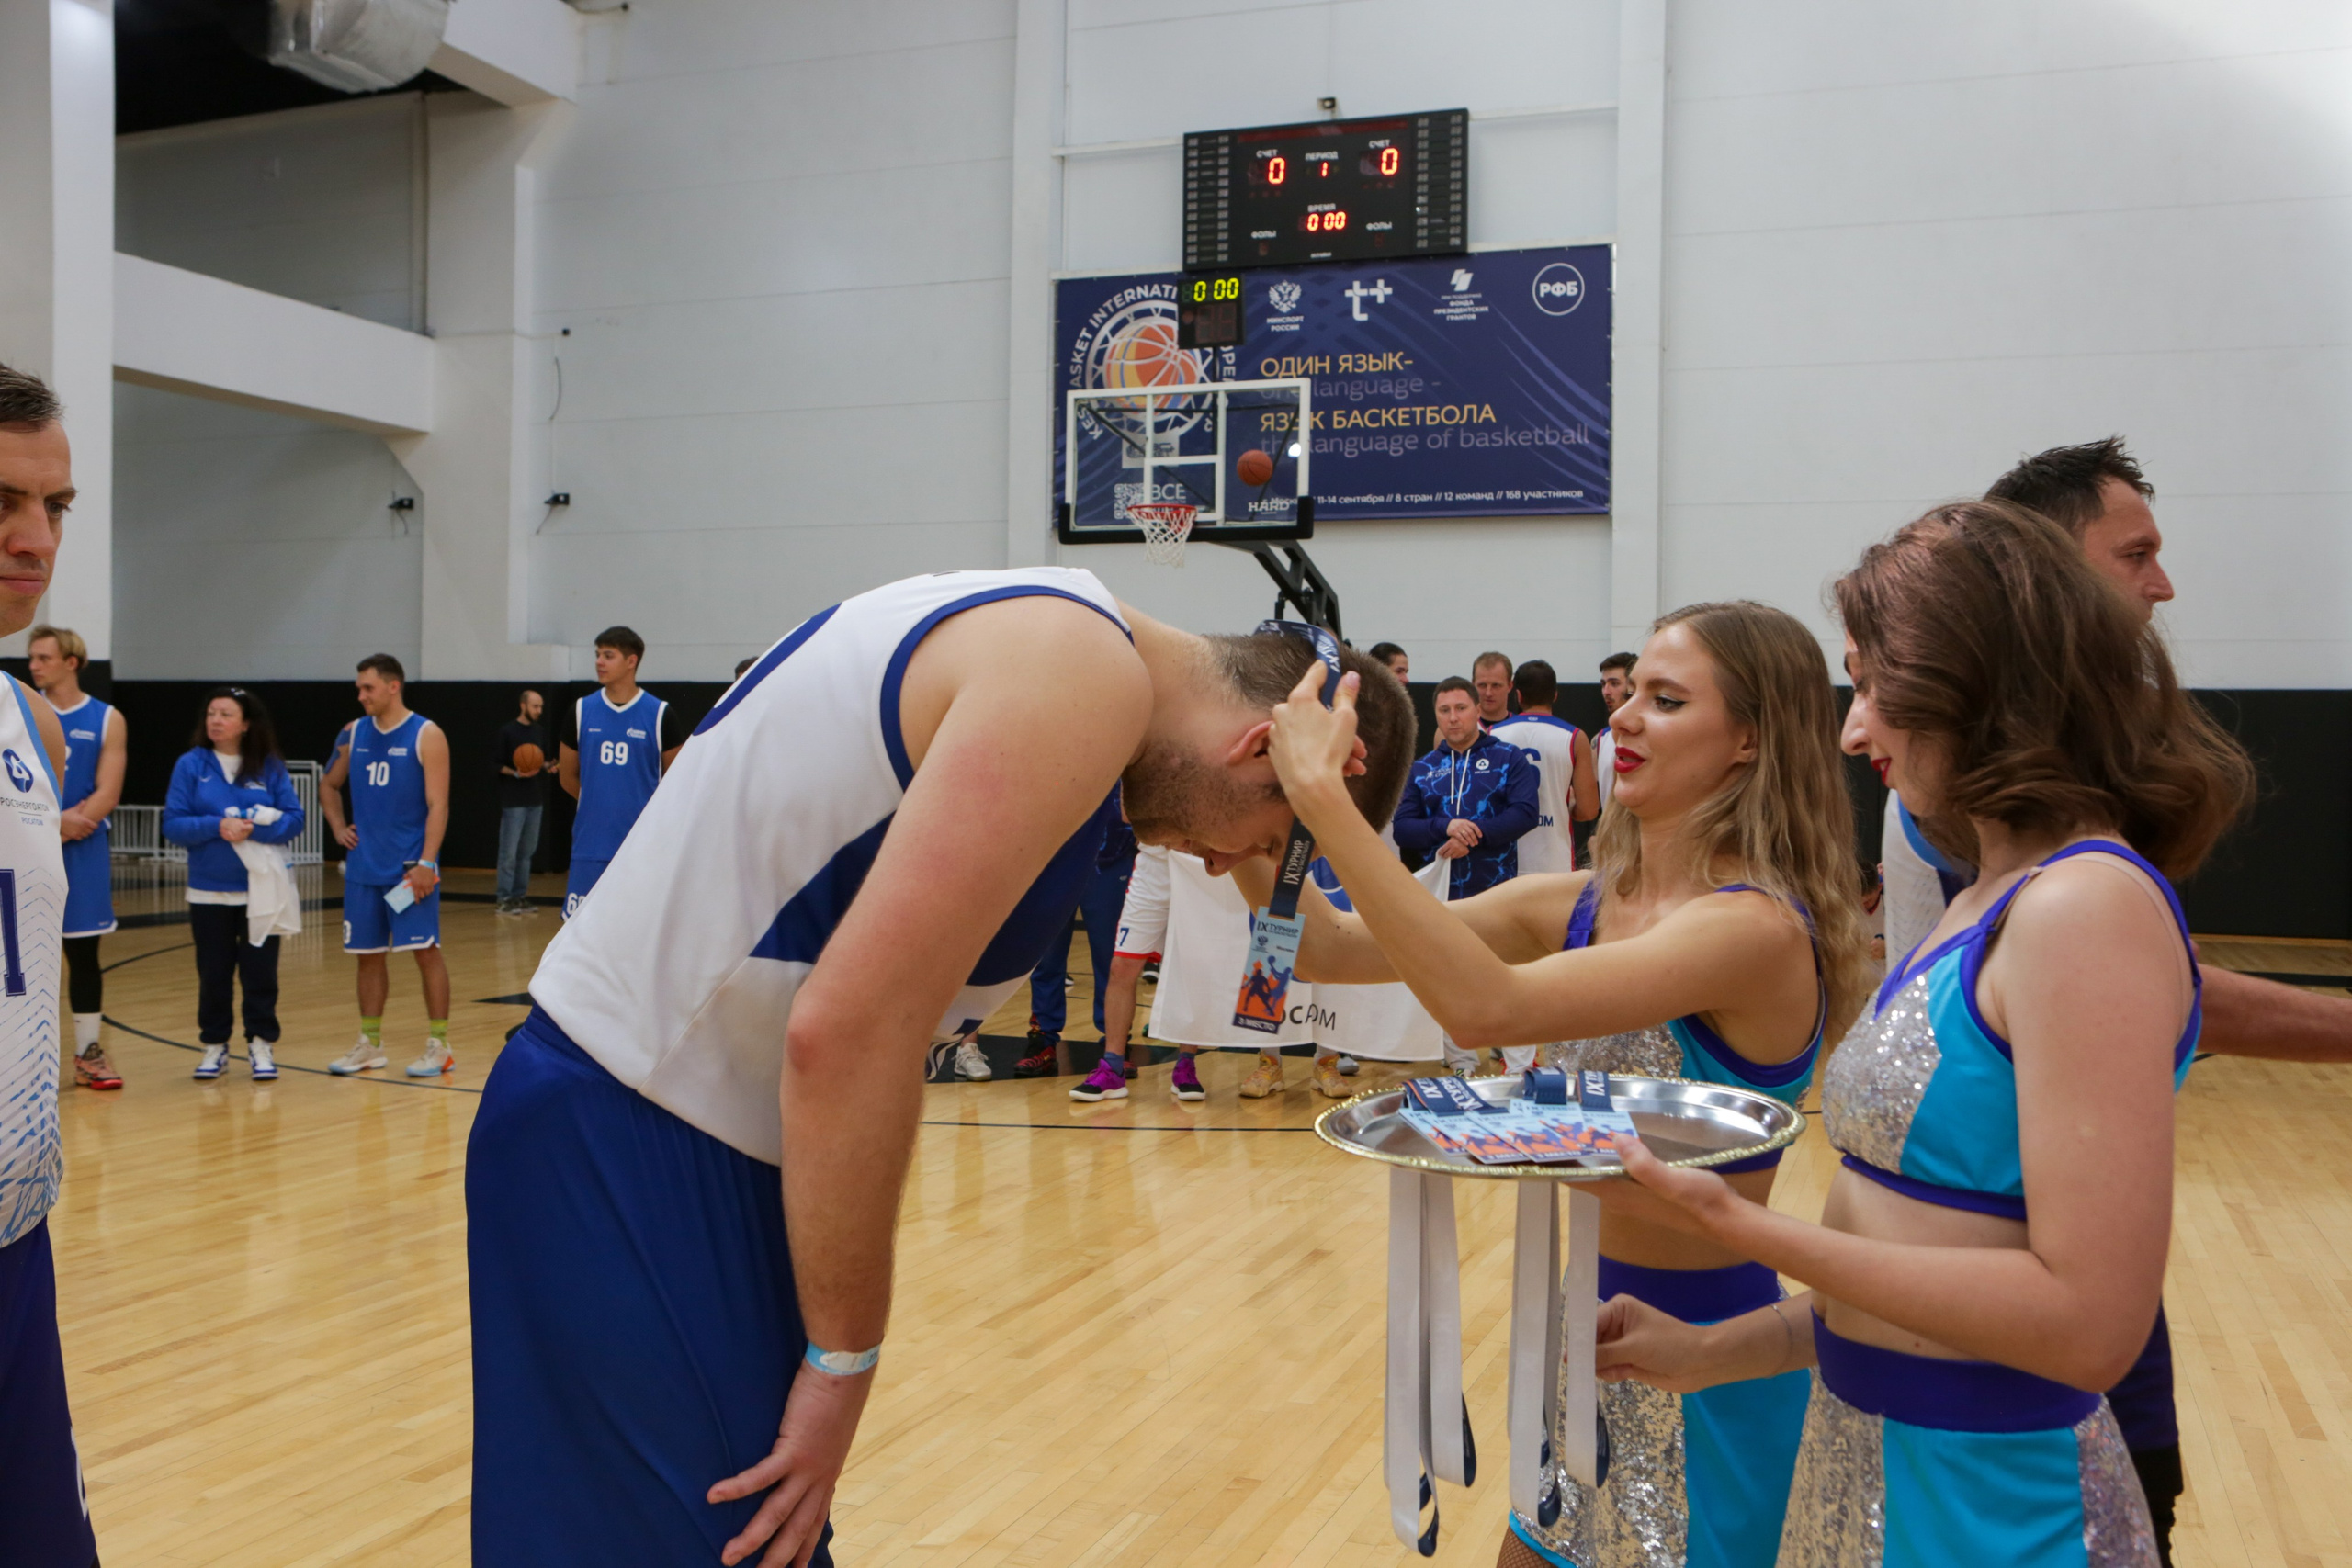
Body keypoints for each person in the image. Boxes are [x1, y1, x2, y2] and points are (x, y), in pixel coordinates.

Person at [468, 569, 1415, 1568]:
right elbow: (848, 1032)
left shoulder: (1077, 659)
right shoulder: (1078, 672)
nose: (1225, 866)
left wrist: (1534, 936)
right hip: (630, 1127)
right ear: (1260, 748)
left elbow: (1321, 945)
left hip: (672, 1130)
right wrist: (843, 1364)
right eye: (1260, 840)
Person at [1595, 502, 2251, 1568]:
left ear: (1975, 680)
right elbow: (1918, 1264)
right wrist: (1711, 1351)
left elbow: (2087, 1323)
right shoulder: (1985, 896)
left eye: (1872, 687)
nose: (1853, 733)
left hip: (1994, 1505)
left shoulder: (2083, 905)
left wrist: (1746, 1229)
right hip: (1871, 1469)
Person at [1250, 599, 1871, 1568]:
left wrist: (1324, 797)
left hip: (1708, 1367)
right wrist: (1247, 829)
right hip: (1585, 1343)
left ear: (1750, 740)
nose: (1621, 715)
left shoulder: (1752, 929)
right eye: (1631, 694)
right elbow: (1325, 950)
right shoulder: (1578, 903)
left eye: (1665, 701)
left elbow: (1482, 1009)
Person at [1868, 438, 2352, 1558]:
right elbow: (2144, 994)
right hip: (1987, 1344)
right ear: (2035, 582)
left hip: (2010, 1319)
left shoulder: (2055, 840)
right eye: (2133, 555)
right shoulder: (1994, 827)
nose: (2161, 586)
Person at [0, 363, 95, 1568]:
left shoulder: (30, 723)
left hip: (19, 1233)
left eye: (54, 506)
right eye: (3, 501)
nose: (36, 539)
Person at [321, 654, 455, 1077]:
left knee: (425, 952)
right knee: (368, 957)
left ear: (393, 686)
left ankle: (440, 1046)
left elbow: (438, 804)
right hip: (364, 869)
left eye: (368, 688)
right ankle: (370, 1044)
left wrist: (427, 862)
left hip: (408, 871)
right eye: (359, 689)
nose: (361, 696)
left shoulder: (426, 734)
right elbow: (329, 784)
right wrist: (338, 827)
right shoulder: (353, 732)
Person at [162, 689, 307, 1079]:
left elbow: (294, 818)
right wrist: (217, 825)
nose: (216, 720)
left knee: (261, 972)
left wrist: (255, 828)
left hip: (262, 889)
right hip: (209, 890)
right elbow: (173, 824)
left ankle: (261, 1043)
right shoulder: (191, 765)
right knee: (213, 973)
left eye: (226, 714)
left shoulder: (269, 766)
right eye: (211, 713)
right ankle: (214, 1045)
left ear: (245, 724)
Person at [28, 624, 126, 1090]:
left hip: (83, 850)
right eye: (32, 658)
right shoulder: (21, 712)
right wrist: (51, 823)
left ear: (72, 662)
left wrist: (70, 824)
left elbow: (108, 790)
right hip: (28, 847)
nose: (33, 666)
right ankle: (24, 1061)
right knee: (22, 958)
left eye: (43, 658)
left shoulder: (107, 718)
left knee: (84, 955)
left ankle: (89, 1053)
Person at [558, 625, 687, 918]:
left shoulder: (660, 714)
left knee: (637, 926)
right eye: (597, 655)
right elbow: (567, 777)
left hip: (641, 846)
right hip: (591, 844)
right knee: (580, 930)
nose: (599, 662)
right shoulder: (580, 710)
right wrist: (598, 804)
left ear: (631, 661)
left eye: (608, 655)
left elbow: (678, 781)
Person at [1011, 799, 1137, 1082]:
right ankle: (1042, 1040)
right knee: (1046, 957)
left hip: (1111, 857)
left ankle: (1115, 1046)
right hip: (1052, 860)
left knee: (1112, 960)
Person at [1392, 677, 1538, 899]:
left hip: (1496, 895)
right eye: (1444, 710)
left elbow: (1525, 813)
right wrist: (1446, 826)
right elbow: (1402, 829)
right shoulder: (1422, 768)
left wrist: (1470, 837)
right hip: (1436, 896)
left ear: (1477, 711)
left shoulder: (1508, 757)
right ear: (1436, 715)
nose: (1453, 718)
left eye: (1461, 708)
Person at [1491, 660, 1599, 875]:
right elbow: (1589, 810)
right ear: (1555, 695)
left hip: (1504, 860)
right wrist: (1565, 805)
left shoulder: (1492, 735)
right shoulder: (1575, 737)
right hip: (1555, 861)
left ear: (1518, 695)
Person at [494, 688, 550, 915]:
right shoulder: (507, 731)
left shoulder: (539, 731)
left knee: (526, 853)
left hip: (535, 799)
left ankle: (519, 896)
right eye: (535, 706)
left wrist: (549, 766)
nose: (539, 711)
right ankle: (503, 898)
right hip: (514, 800)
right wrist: (517, 773)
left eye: (541, 707)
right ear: (523, 705)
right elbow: (495, 764)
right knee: (509, 853)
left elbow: (541, 760)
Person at [1594, 651, 1636, 811]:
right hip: (1610, 825)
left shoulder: (1652, 736)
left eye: (1614, 684)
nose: (1606, 691)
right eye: (1603, 684)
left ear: (1632, 686)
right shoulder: (1598, 740)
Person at [1472, 649, 1514, 727]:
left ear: (1510, 686)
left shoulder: (1521, 727)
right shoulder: (1462, 728)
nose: (1488, 693)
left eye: (1496, 685)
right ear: (1473, 685)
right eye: (1482, 685)